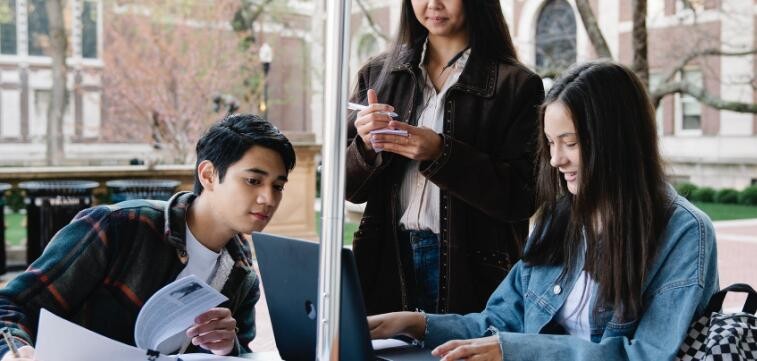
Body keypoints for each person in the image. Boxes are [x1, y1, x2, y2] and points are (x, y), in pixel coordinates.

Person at [367, 61, 719, 361]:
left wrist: (518, 351)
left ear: (616, 141)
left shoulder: (685, 233)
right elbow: (499, 321)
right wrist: (414, 324)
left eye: (570, 142)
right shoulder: (561, 217)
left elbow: (646, 355)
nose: (555, 159)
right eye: (551, 143)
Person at [0, 114, 296, 360]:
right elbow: (11, 305)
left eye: (278, 185)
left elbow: (242, 354)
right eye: (253, 181)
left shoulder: (243, 274)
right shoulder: (121, 227)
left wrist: (228, 348)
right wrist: (16, 352)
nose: (268, 198)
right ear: (207, 176)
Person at [346, 0, 544, 316]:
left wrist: (441, 153)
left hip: (474, 269)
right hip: (387, 261)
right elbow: (346, 188)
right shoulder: (378, 75)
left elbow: (523, 197)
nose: (433, 4)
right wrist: (366, 146)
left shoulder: (516, 85)